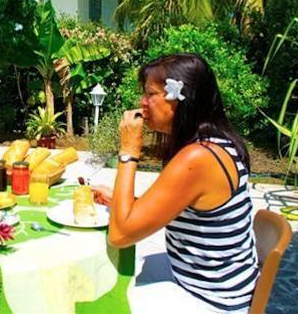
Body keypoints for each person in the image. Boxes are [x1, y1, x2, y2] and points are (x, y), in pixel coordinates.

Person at [93, 53, 259, 313]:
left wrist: (128, 150)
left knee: (107, 301)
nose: (142, 102)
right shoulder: (216, 142)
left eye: (150, 94)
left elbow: (120, 236)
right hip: (215, 284)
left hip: (213, 301)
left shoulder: (198, 158)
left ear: (181, 99)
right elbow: (178, 210)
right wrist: (123, 202)